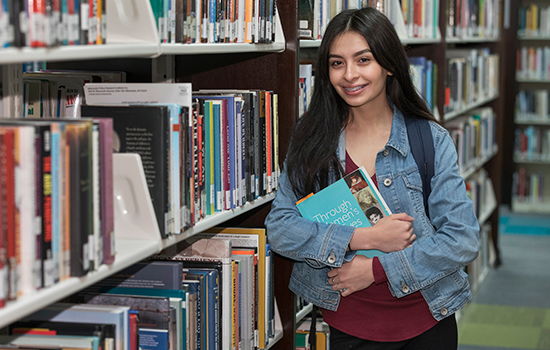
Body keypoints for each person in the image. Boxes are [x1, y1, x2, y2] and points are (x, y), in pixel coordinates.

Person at [264, 7, 479, 350]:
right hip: (349, 327)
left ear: (389, 65)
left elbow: (462, 239)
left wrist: (377, 270)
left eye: (363, 60)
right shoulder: (311, 140)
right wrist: (360, 238)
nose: (349, 75)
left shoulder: (429, 139)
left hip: (427, 322)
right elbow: (280, 227)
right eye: (337, 63)